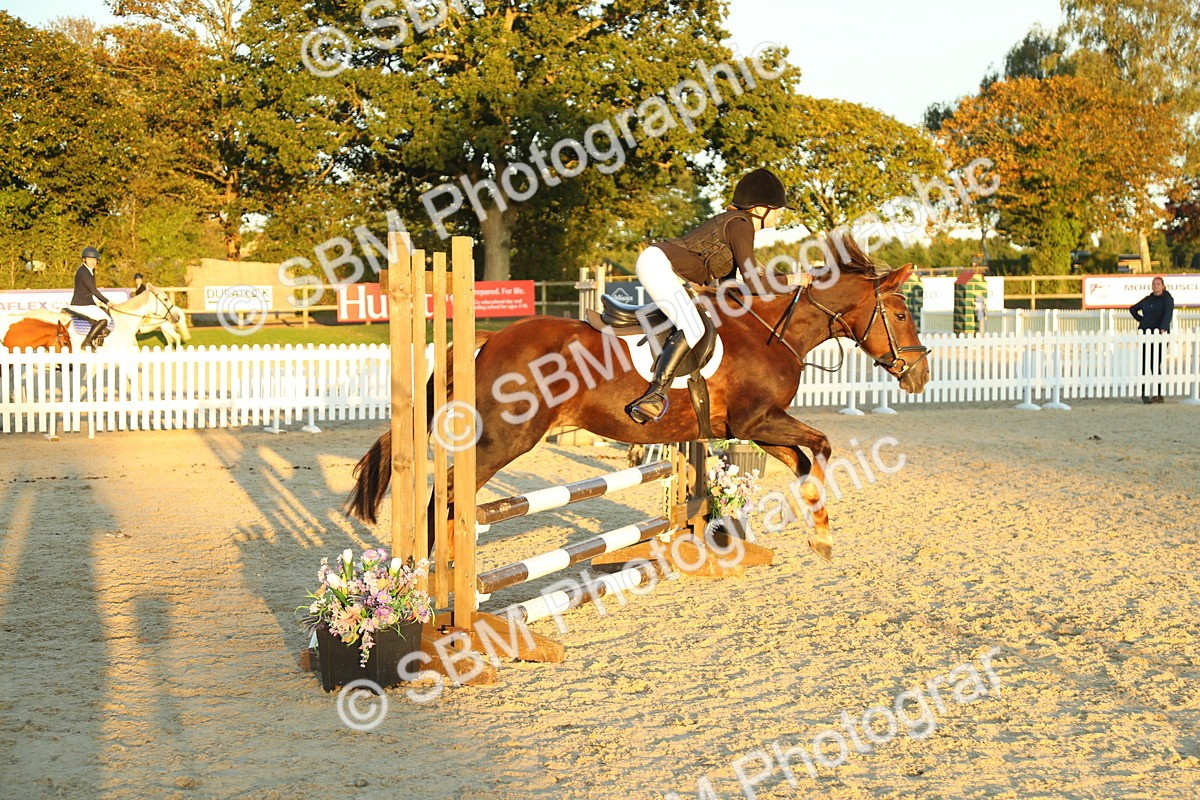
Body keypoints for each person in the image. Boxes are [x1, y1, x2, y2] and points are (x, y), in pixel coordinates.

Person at [625, 168, 792, 423]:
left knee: (701, 321)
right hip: (657, 264)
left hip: (665, 267)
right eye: (776, 208)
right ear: (759, 209)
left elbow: (729, 283)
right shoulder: (741, 225)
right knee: (693, 329)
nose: (780, 214)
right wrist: (792, 280)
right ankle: (655, 394)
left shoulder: (738, 225)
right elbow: (752, 281)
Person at [1129, 276, 1174, 404]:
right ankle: (1144, 393)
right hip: (1145, 334)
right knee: (1144, 363)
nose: (1155, 286)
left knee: (1155, 364)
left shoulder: (1167, 299)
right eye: (1154, 284)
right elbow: (1132, 309)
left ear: (1163, 286)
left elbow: (1168, 314)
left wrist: (1163, 328)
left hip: (1159, 335)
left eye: (1158, 284)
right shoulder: (1148, 299)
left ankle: (1159, 394)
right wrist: (1142, 320)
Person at [64, 246, 113, 350]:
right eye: (90, 259)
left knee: (102, 313)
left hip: (86, 302)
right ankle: (87, 342)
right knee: (105, 318)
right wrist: (107, 302)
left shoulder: (89, 270)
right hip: (81, 304)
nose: (92, 262)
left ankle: (98, 336)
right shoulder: (83, 272)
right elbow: (93, 290)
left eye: (94, 260)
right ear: (84, 259)